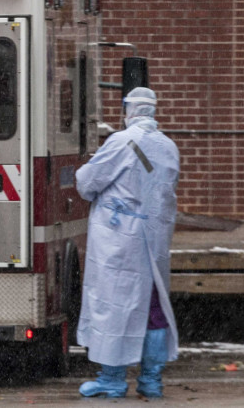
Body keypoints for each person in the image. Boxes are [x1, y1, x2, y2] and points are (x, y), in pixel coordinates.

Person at [74, 87, 180, 399]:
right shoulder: (168, 147)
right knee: (152, 306)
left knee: (113, 305)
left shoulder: (120, 142)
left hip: (118, 240)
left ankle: (112, 379)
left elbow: (86, 182)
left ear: (129, 110)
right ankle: (151, 379)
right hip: (155, 237)